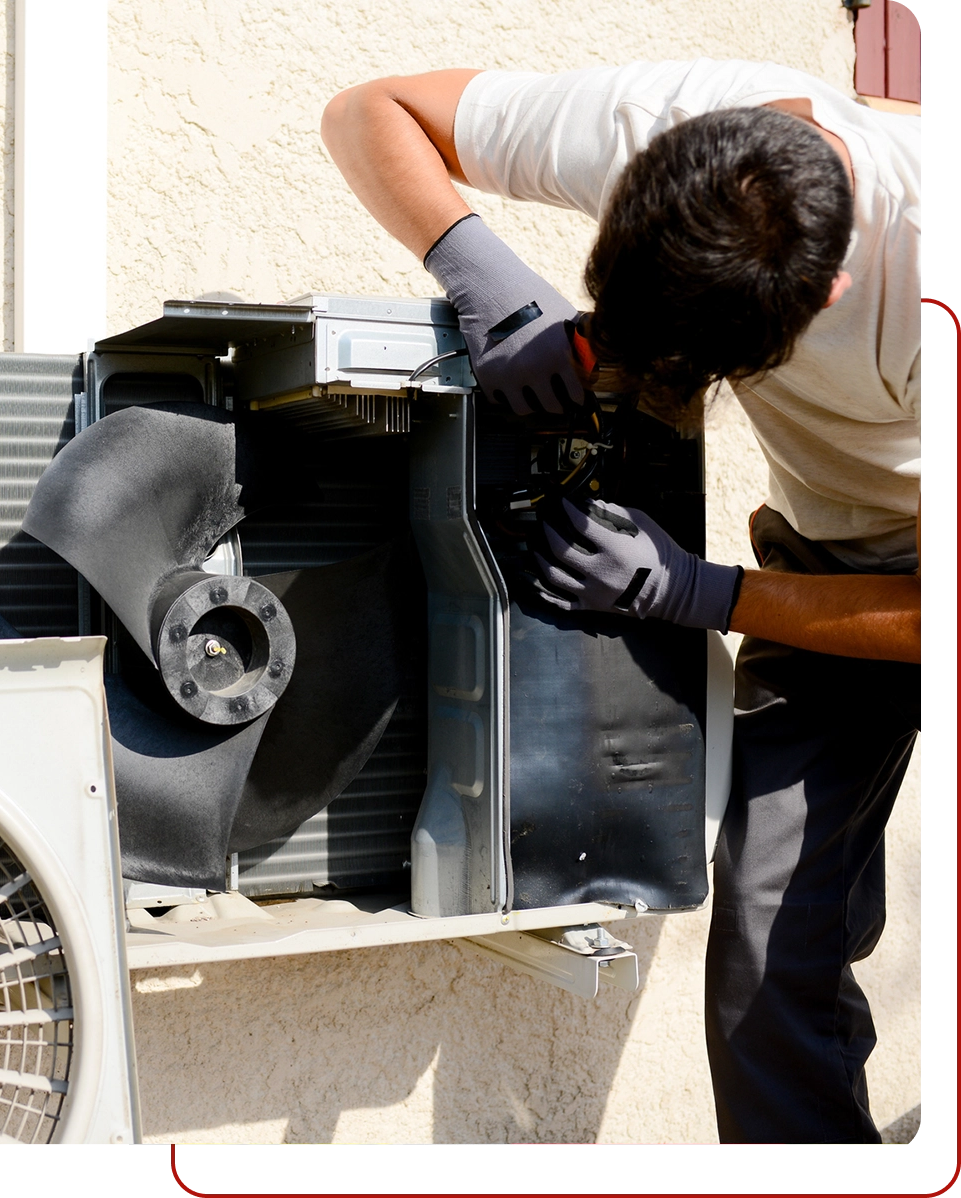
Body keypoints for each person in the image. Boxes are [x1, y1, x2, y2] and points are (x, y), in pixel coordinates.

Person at [321, 59, 925, 1144]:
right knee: (766, 947)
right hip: (830, 560)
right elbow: (372, 111)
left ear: (826, 292)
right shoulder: (670, 128)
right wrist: (479, 269)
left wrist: (701, 591)